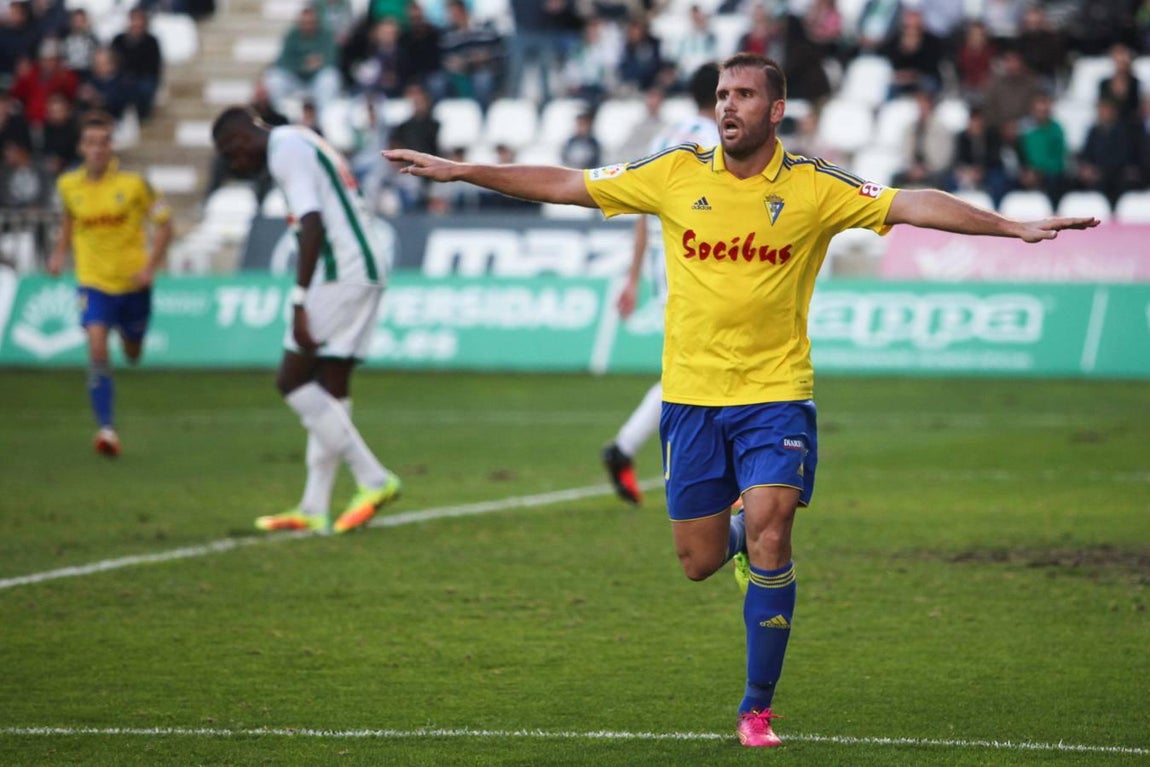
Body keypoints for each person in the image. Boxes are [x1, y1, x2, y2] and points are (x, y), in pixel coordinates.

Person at [382, 52, 1098, 748]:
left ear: (776, 110)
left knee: (773, 533)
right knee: (698, 560)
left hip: (776, 395)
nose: (729, 106)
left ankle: (756, 706)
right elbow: (568, 182)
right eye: (723, 95)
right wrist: (463, 169)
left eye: (745, 95)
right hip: (691, 398)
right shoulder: (675, 172)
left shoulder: (814, 185)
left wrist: (1010, 226)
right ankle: (735, 538)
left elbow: (909, 203)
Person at [211, 106, 402, 535]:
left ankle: (374, 479)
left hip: (341, 270)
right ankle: (314, 507)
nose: (234, 162)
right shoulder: (301, 140)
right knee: (332, 383)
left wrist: (299, 300)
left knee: (292, 379)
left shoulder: (285, 149)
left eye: (230, 153)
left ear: (241, 137)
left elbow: (311, 223)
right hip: (364, 265)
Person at [601, 61, 720, 506]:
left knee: (695, 365)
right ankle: (713, 470)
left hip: (661, 263)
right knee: (703, 365)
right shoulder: (714, 142)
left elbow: (642, 208)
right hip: (695, 263)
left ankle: (624, 447)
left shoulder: (665, 137)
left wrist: (633, 278)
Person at [47, 111, 173, 457]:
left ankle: (132, 338)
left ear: (112, 146)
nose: (97, 149)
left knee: (132, 353)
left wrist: (150, 266)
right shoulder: (68, 185)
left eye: (103, 142)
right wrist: (58, 253)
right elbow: (69, 220)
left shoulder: (135, 185)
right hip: (93, 282)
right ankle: (106, 429)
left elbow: (165, 224)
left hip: (133, 284)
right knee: (97, 348)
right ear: (81, 147)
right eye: (91, 142)